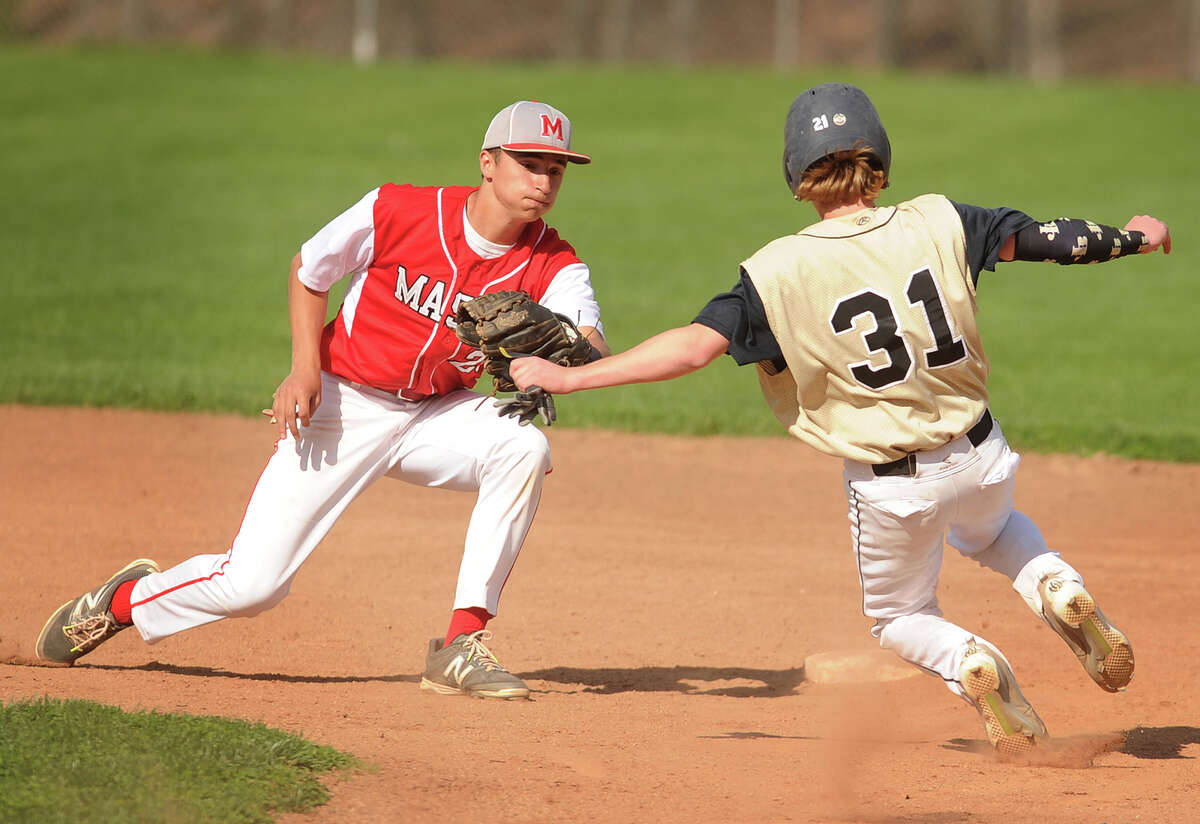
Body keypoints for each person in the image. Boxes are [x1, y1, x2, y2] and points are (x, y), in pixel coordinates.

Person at [510, 83, 1170, 752]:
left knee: (899, 616)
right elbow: (1049, 240)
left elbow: (691, 349)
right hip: (981, 452)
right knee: (995, 527)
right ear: (879, 158)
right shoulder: (941, 220)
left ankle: (968, 659)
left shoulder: (777, 273)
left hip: (893, 486)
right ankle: (1057, 585)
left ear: (796, 174)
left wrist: (572, 375)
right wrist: (1134, 238)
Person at [36, 100, 610, 701]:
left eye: (556, 169)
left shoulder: (553, 261)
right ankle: (125, 601)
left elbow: (592, 345)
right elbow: (310, 269)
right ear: (488, 164)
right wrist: (303, 370)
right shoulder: (401, 209)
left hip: (435, 415)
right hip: (343, 404)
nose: (543, 182)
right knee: (252, 587)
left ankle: (460, 645)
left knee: (522, 444)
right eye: (529, 163)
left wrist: (564, 345)